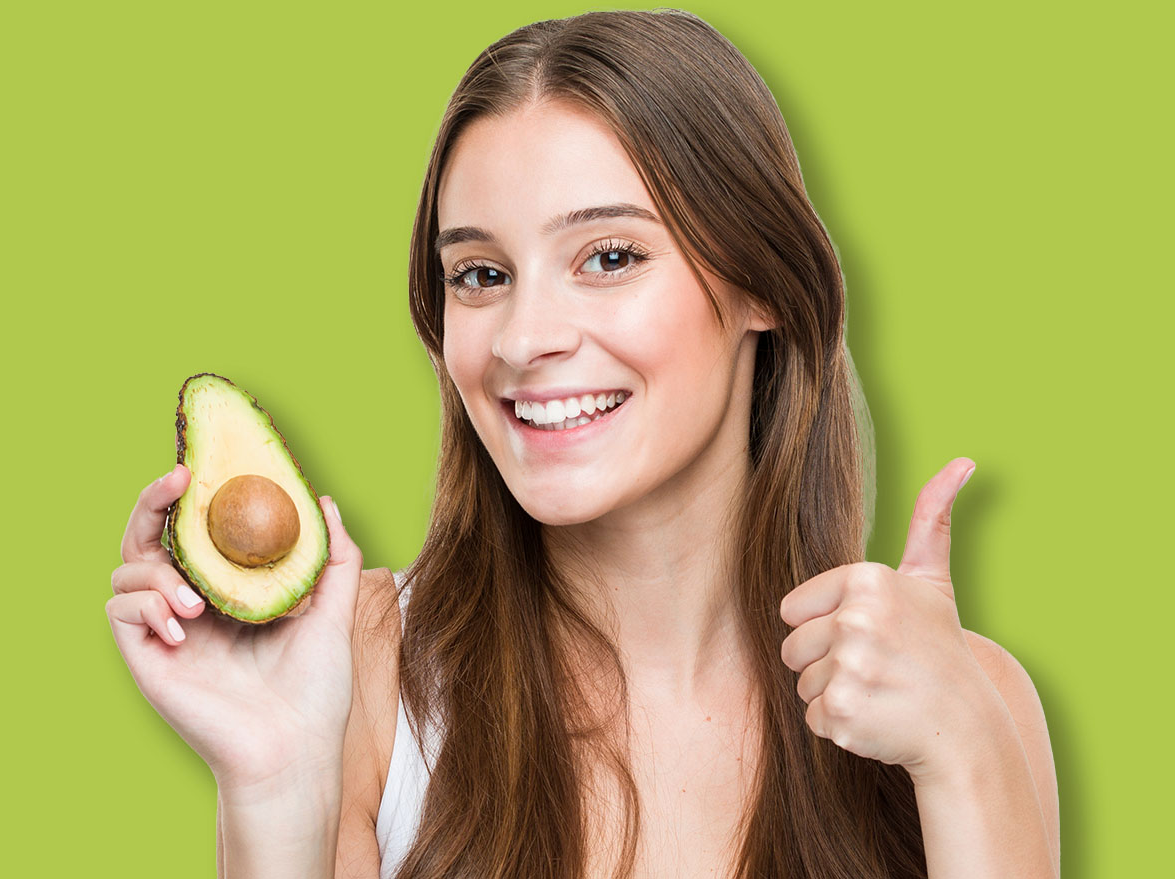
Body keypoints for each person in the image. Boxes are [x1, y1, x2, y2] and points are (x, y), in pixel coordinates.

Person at [106, 9, 1059, 878]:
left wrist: (964, 748)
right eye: (480, 274)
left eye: (609, 257)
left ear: (762, 284)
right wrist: (274, 784)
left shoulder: (964, 700)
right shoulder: (356, 667)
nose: (523, 339)